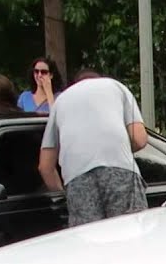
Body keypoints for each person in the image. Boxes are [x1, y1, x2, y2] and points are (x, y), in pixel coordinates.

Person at [38, 68, 150, 226]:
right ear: (100, 79)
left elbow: (45, 167)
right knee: (130, 237)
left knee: (88, 245)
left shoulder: (61, 101)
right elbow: (139, 139)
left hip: (77, 180)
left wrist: (64, 194)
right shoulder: (116, 87)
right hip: (120, 173)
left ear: (75, 85)